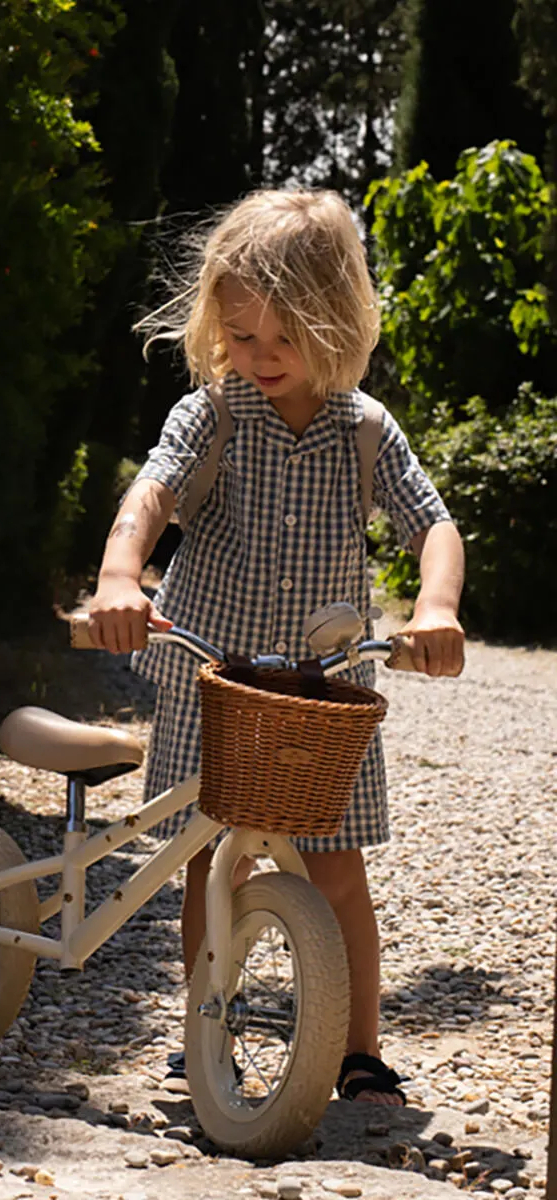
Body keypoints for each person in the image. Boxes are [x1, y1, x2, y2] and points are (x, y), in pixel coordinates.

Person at [87, 188, 465, 1105]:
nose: (257, 358)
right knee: (211, 862)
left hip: (319, 693)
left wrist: (437, 606)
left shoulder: (366, 430)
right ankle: (203, 1028)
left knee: (336, 874)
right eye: (241, 336)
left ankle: (359, 1050)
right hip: (210, 676)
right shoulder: (213, 415)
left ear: (338, 327)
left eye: (281, 341)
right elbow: (154, 496)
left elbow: (435, 526)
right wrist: (118, 577)